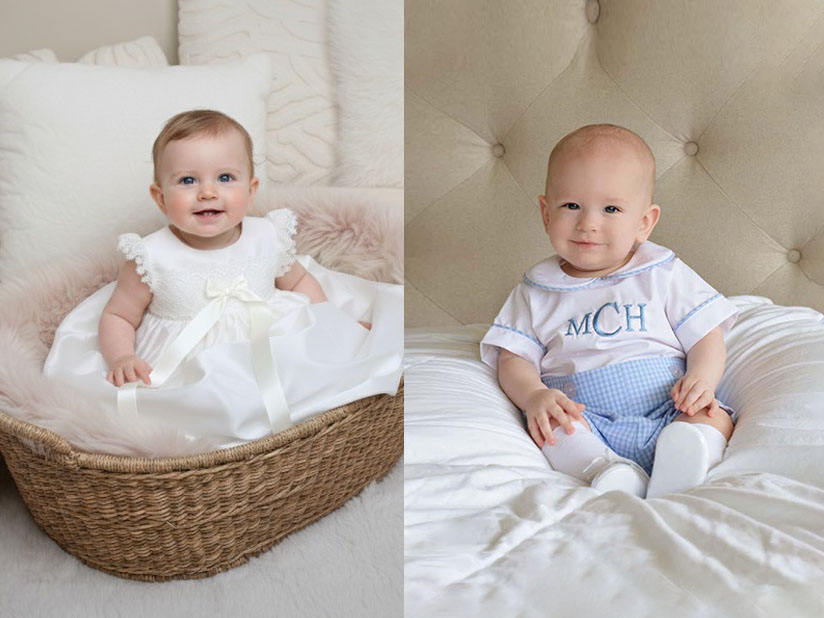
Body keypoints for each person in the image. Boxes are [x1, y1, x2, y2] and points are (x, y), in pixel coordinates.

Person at [44, 109, 402, 448]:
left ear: (251, 189)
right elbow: (119, 315)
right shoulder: (151, 257)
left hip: (273, 339)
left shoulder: (267, 237)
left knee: (311, 379)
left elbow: (298, 283)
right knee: (204, 411)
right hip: (191, 361)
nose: (208, 192)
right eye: (187, 180)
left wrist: (333, 324)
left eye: (225, 178)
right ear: (160, 197)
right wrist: (122, 356)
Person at [480, 124, 738, 499]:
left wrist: (702, 377)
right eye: (571, 206)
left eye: (611, 209)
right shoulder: (535, 291)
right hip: (584, 416)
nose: (588, 224)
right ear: (546, 213)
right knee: (553, 429)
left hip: (669, 406)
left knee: (714, 417)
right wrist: (534, 395)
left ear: (644, 223)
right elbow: (513, 359)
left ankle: (687, 459)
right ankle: (605, 470)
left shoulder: (661, 273)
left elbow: (706, 335)